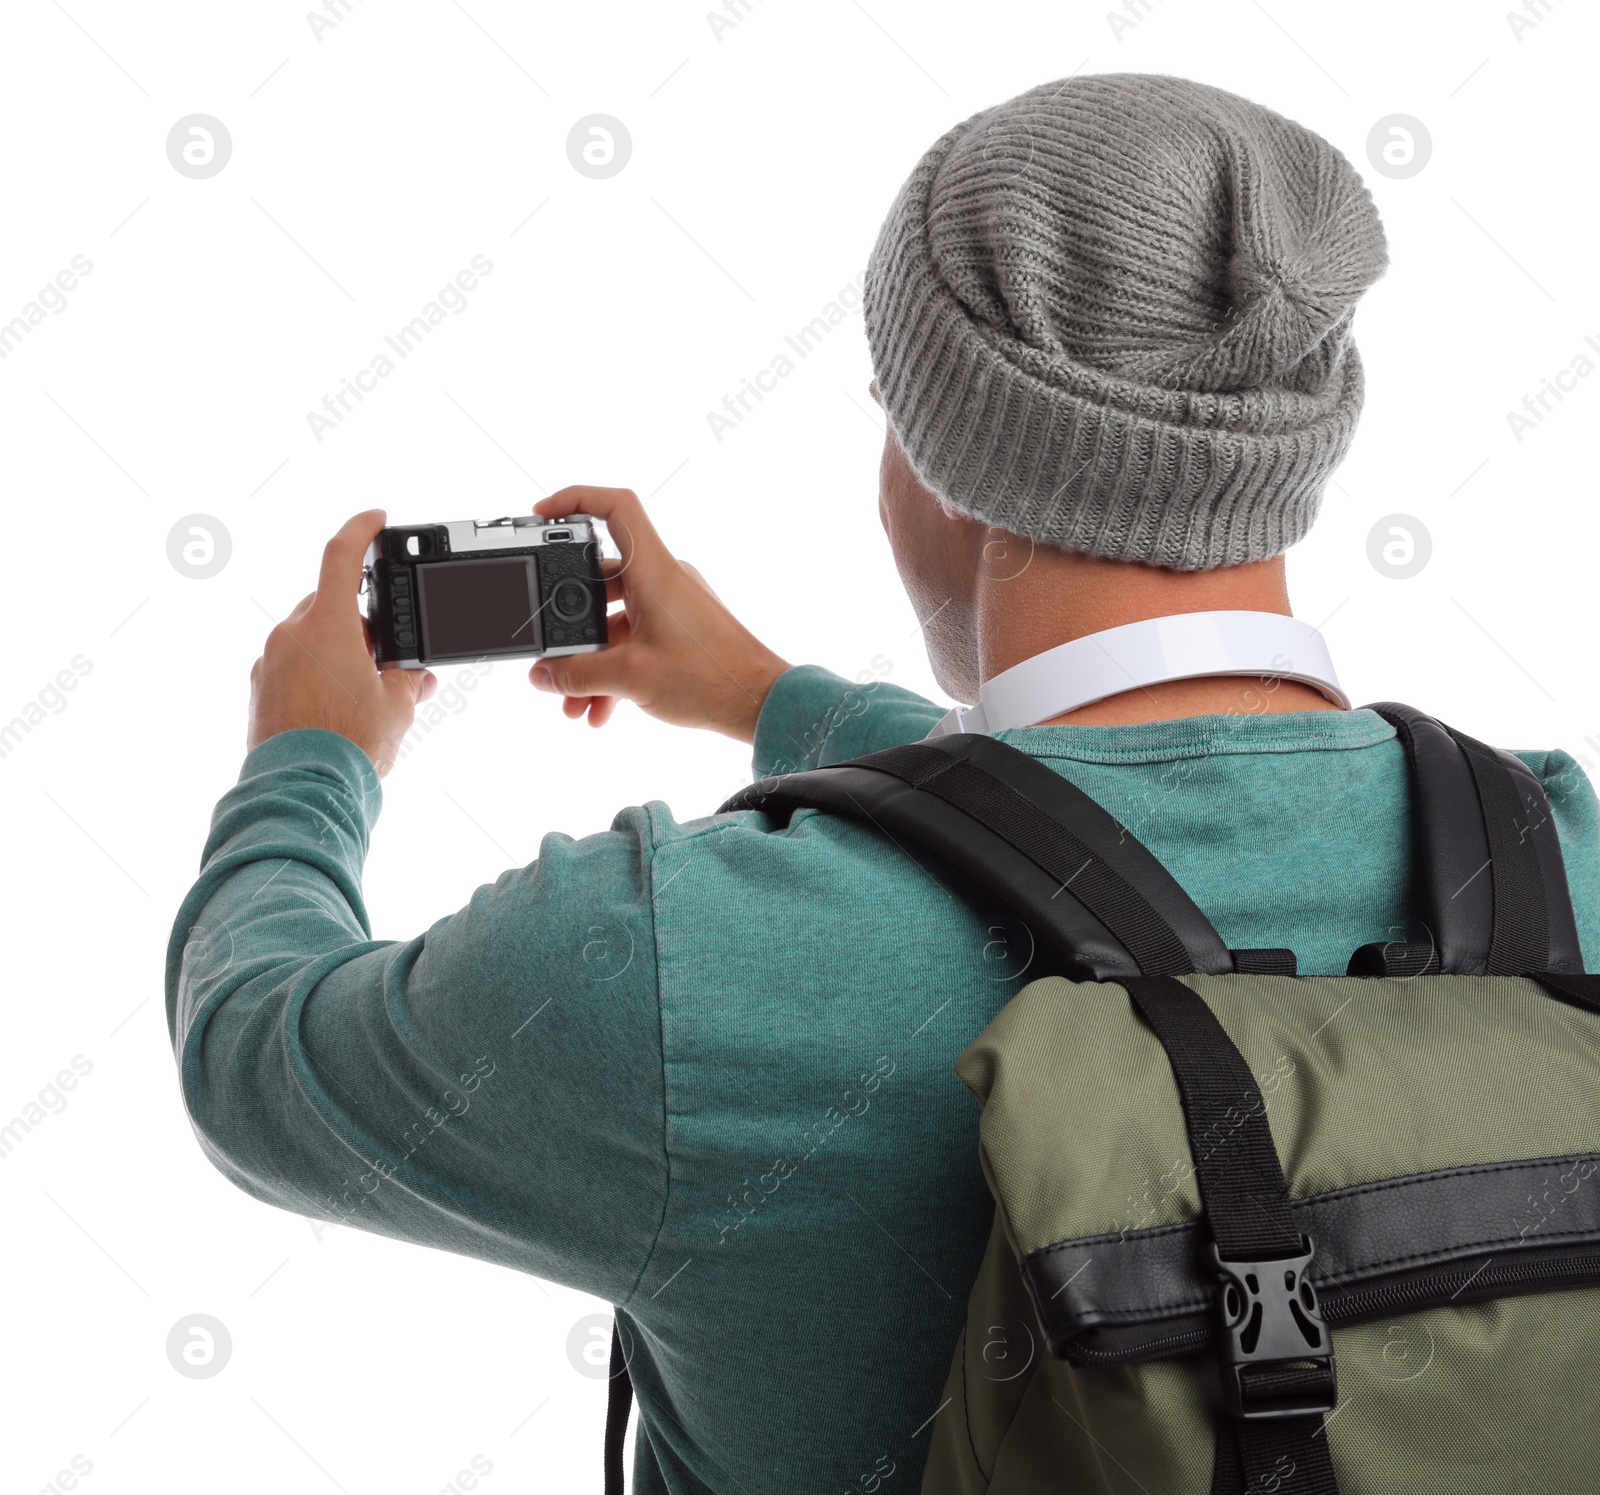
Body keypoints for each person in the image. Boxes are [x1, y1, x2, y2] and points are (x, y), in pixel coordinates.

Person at [168, 73, 1600, 1492]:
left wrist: (310, 756)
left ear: (947, 454)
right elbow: (1117, 851)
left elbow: (253, 1058)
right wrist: (763, 695)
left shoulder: (672, 959)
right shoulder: (1553, 856)